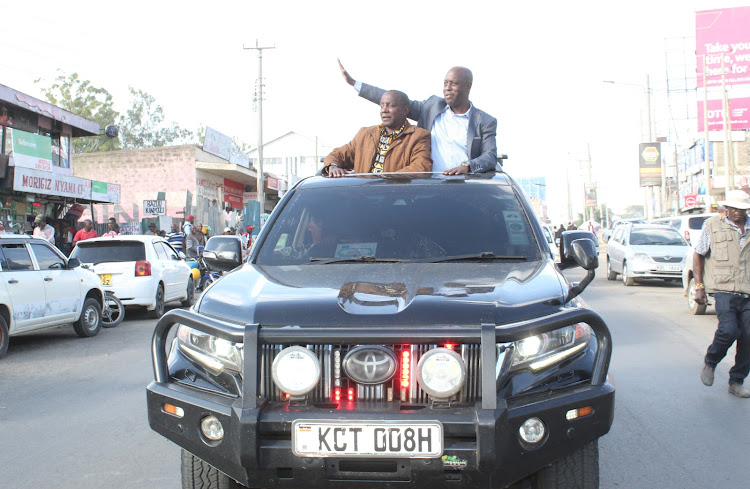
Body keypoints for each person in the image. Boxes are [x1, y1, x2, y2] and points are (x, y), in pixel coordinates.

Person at [339, 60, 497, 175]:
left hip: (465, 185)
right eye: (445, 83)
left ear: (468, 86)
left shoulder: (484, 121)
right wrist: (355, 84)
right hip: (429, 186)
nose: (447, 88)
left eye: (453, 84)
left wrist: (467, 166)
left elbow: (490, 156)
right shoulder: (431, 107)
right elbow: (393, 100)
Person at [695, 190, 750, 398]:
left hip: (748, 291)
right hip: (723, 289)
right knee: (729, 330)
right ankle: (711, 361)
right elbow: (699, 254)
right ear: (726, 208)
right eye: (733, 208)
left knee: (748, 337)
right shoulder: (712, 225)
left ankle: (736, 381)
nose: (737, 212)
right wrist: (699, 285)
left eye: (742, 209)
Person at [324, 90, 432, 177]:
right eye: (382, 106)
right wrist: (332, 166)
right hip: (362, 197)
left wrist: (384, 178)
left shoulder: (419, 136)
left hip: (396, 198)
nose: (384, 110)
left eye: (390, 106)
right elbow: (338, 154)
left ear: (405, 110)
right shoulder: (365, 134)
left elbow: (421, 167)